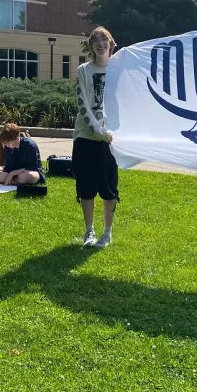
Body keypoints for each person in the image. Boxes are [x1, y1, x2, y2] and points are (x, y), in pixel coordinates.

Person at [73, 26, 119, 249]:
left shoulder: (119, 70)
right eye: (96, 41)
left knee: (109, 187)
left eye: (105, 40)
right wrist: (99, 133)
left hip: (111, 139)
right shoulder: (83, 70)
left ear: (111, 43)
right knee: (86, 186)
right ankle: (89, 231)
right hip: (86, 137)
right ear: (91, 46)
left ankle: (107, 233)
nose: (101, 44)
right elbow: (83, 105)